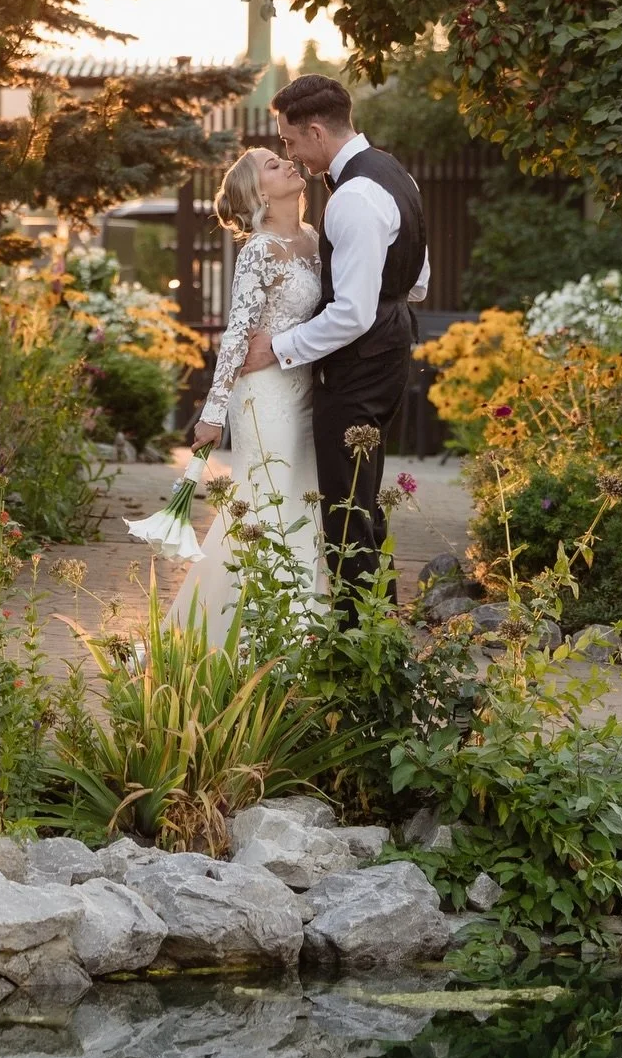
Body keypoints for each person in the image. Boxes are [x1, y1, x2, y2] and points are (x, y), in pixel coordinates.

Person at [238, 73, 429, 606]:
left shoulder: (353, 198)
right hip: (391, 352)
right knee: (362, 500)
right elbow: (418, 281)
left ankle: (358, 650)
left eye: (291, 141)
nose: (291, 153)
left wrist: (276, 347)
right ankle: (380, 632)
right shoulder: (397, 176)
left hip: (360, 367)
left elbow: (351, 314)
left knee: (345, 512)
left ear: (317, 132)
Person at [168, 144, 325, 636]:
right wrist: (212, 414)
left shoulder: (314, 238)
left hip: (305, 390)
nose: (289, 163)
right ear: (258, 191)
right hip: (264, 398)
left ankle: (302, 626)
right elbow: (237, 334)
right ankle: (250, 635)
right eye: (273, 165)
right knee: (267, 504)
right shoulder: (259, 250)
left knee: (304, 501)